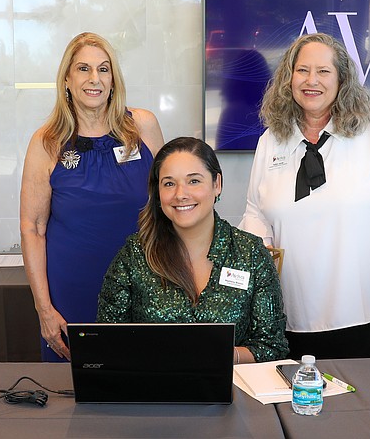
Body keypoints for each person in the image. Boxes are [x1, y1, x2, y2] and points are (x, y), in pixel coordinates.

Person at [239, 32, 370, 360]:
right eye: (302, 70)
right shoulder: (271, 140)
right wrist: (258, 246)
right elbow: (256, 211)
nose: (312, 81)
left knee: (365, 407)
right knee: (301, 407)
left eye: (324, 71)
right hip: (292, 313)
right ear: (288, 78)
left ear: (342, 80)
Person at [21, 32, 164, 361]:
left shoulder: (143, 126)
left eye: (103, 69)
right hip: (71, 290)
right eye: (83, 69)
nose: (94, 79)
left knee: (141, 387)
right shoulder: (47, 143)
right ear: (67, 79)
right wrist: (44, 309)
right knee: (75, 393)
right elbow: (32, 227)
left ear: (113, 79)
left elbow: (168, 205)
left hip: (142, 284)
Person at [97, 137, 289, 363]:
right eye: (169, 183)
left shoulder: (251, 253)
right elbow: (107, 342)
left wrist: (220, 356)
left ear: (217, 184)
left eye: (194, 181)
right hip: (153, 392)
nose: (181, 194)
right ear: (157, 193)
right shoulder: (134, 255)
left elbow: (273, 346)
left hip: (232, 392)